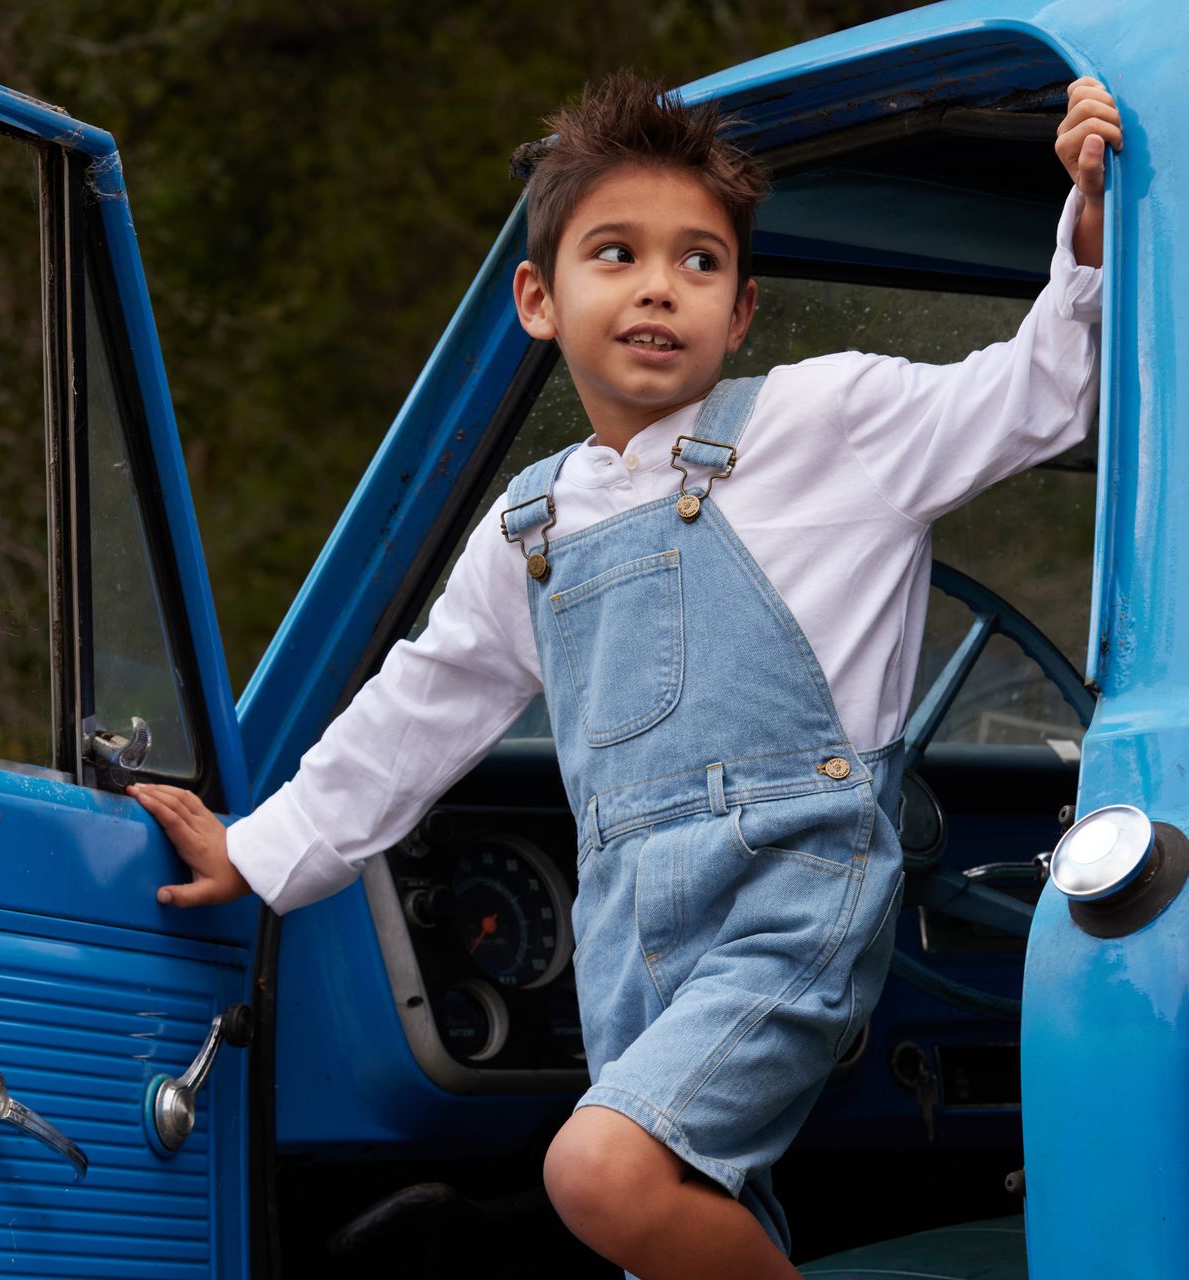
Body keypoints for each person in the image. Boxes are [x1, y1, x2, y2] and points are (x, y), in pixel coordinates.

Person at [130, 71, 1123, 1279]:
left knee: (597, 1168)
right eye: (617, 252)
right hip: (624, 927)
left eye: (698, 262)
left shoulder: (828, 420)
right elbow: (423, 701)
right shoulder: (532, 524)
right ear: (539, 299)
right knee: (661, 1223)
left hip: (789, 903)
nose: (660, 284)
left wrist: (1081, 231)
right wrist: (264, 851)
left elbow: (1032, 394)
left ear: (743, 308)